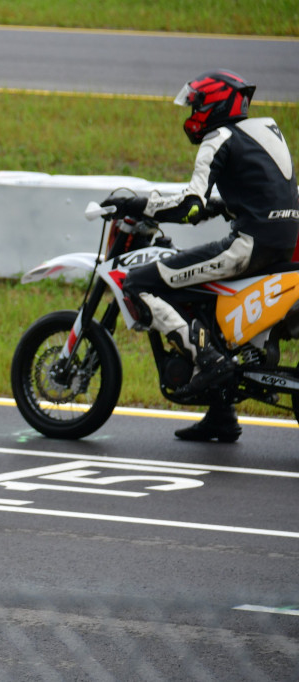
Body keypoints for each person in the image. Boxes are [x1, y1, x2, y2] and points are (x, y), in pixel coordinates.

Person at [102, 69, 299, 442]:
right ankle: (221, 416)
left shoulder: (218, 137)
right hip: (279, 242)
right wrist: (218, 207)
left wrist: (140, 204)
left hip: (248, 246)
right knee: (202, 305)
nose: (191, 114)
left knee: (140, 281)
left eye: (195, 105)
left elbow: (191, 205)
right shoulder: (265, 130)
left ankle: (208, 361)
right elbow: (255, 191)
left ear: (215, 106)